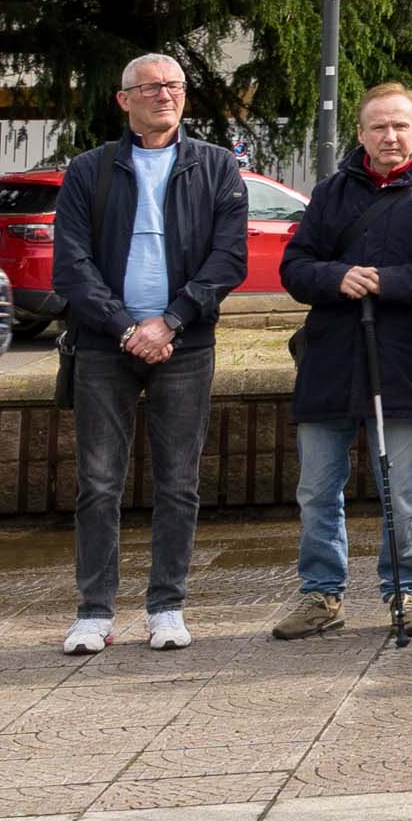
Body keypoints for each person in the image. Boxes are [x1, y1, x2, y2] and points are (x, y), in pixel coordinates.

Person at [48, 54, 255, 655]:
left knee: (178, 481)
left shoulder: (216, 167)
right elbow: (72, 265)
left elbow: (228, 259)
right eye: (150, 87)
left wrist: (169, 322)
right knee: (98, 481)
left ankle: (167, 606)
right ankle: (94, 611)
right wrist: (124, 328)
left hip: (185, 344)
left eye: (174, 86)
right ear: (124, 100)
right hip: (103, 346)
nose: (164, 95)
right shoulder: (89, 171)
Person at [273, 82, 412, 638]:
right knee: (318, 487)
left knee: (401, 488)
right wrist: (336, 277)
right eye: (378, 127)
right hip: (329, 359)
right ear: (360, 134)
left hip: (402, 358)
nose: (390, 137)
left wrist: (386, 283)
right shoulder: (330, 192)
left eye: (400, 126)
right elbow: (294, 267)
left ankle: (405, 594)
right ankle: (321, 595)